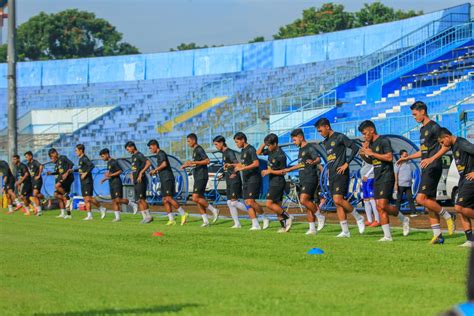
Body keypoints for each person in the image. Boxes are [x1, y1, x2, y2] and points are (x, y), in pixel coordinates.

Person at [397, 101, 455, 244]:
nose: (414, 117)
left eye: (415, 114)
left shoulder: (435, 127)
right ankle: (438, 235)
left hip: (433, 166)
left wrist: (431, 158)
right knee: (430, 203)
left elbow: (447, 145)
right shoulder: (422, 129)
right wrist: (408, 157)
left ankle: (449, 215)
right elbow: (423, 152)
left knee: (420, 199)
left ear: (422, 111)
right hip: (427, 167)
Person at [358, 120, 410, 241]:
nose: (365, 136)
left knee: (381, 205)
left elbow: (389, 157)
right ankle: (387, 236)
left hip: (387, 176)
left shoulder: (383, 140)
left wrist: (372, 153)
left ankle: (403, 219)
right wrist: (363, 154)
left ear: (372, 130)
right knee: (380, 207)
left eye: (365, 133)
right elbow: (372, 162)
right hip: (377, 177)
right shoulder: (370, 144)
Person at [315, 118, 365, 237]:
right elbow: (330, 158)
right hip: (331, 174)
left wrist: (346, 163)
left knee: (338, 199)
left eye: (320, 130)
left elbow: (355, 148)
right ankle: (345, 231)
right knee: (337, 203)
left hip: (341, 173)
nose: (320, 133)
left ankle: (359, 218)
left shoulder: (340, 137)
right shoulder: (326, 142)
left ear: (327, 126)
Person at [284, 128, 326, 235]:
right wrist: (289, 169)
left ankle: (320, 216)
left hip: (310, 177)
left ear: (300, 137)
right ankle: (312, 228)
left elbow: (318, 159)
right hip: (303, 178)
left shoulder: (309, 147)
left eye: (294, 140)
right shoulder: (301, 150)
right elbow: (301, 164)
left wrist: (313, 161)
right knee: (308, 204)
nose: (294, 142)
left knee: (303, 200)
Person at [437, 128, 474, 247]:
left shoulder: (462, 143)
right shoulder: (454, 146)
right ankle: (470, 240)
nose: (442, 145)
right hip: (463, 180)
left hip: (470, 180)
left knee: (459, 207)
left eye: (442, 142)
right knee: (462, 209)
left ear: (447, 137)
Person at [233, 132, 269, 231]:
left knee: (251, 201)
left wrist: (243, 169)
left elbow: (256, 163)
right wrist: (234, 167)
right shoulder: (243, 151)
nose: (236, 144)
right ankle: (255, 224)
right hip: (246, 178)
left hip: (253, 178)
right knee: (247, 202)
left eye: (237, 142)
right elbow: (243, 164)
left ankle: (265, 218)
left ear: (243, 140)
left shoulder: (251, 149)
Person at [181, 133, 219, 227]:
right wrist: (187, 165)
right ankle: (205, 221)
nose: (188, 143)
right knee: (198, 199)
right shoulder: (194, 150)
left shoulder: (199, 149)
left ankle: (214, 210)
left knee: (195, 198)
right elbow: (196, 164)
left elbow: (207, 161)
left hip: (201, 176)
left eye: (189, 141)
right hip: (197, 176)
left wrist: (193, 162)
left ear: (194, 140)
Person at [257, 133, 293, 233]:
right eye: (267, 145)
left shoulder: (281, 155)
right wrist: (264, 144)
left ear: (275, 143)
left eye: (269, 145)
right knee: (277, 207)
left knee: (269, 204)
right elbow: (258, 152)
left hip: (278, 182)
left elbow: (283, 171)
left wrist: (270, 171)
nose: (268, 147)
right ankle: (284, 227)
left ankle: (288, 217)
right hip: (272, 181)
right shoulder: (270, 150)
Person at [148, 139, 189, 226]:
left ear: (155, 145)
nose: (150, 150)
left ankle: (183, 213)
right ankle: (171, 220)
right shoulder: (158, 155)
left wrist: (155, 170)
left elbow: (164, 164)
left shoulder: (161, 153)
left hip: (167, 178)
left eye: (151, 148)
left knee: (169, 198)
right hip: (164, 179)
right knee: (164, 199)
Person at [213, 135, 248, 228]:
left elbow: (237, 163)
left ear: (221, 143)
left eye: (216, 144)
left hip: (234, 179)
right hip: (228, 179)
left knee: (234, 202)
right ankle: (237, 223)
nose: (216, 146)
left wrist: (233, 172)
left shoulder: (229, 152)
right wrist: (223, 174)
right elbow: (227, 166)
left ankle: (253, 213)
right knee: (229, 202)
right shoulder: (224, 153)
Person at [100, 148, 137, 222]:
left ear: (107, 154)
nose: (102, 158)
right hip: (111, 183)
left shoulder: (114, 162)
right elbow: (110, 174)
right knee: (114, 200)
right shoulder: (108, 163)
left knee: (118, 199)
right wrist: (105, 178)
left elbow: (120, 171)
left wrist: (111, 174)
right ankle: (117, 217)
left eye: (103, 156)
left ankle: (133, 204)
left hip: (117, 183)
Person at [75, 144, 107, 220]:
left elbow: (92, 165)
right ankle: (89, 215)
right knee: (85, 199)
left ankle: (101, 208)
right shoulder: (80, 159)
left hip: (87, 181)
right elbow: (81, 169)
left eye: (76, 150)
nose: (75, 152)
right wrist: (72, 170)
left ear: (81, 150)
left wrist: (86, 173)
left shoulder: (84, 158)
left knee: (89, 198)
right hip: (83, 181)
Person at [125, 141, 153, 224]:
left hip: (141, 179)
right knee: (138, 200)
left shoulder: (139, 155)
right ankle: (144, 217)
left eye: (128, 149)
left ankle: (149, 216)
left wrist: (141, 173)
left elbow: (148, 163)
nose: (128, 151)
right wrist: (131, 174)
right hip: (136, 180)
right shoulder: (133, 156)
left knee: (142, 199)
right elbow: (134, 167)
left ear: (132, 146)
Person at [47, 148, 74, 219]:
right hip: (62, 180)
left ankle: (68, 198)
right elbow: (58, 172)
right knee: (57, 195)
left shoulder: (63, 158)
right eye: (50, 157)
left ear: (55, 153)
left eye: (51, 155)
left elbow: (71, 164)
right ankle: (65, 213)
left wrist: (67, 173)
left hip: (68, 178)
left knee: (57, 186)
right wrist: (51, 173)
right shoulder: (56, 164)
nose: (51, 157)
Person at [394, 150, 417, 215]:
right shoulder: (398, 163)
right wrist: (396, 183)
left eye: (407, 155)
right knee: (399, 199)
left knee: (410, 198)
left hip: (408, 184)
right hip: (401, 184)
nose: (406, 157)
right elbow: (396, 173)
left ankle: (413, 212)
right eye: (404, 155)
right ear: (401, 156)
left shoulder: (409, 163)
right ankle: (397, 212)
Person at [360, 160, 380, 227]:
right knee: (366, 199)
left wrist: (367, 175)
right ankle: (369, 220)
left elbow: (374, 165)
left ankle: (377, 220)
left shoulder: (370, 153)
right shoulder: (363, 156)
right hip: (364, 179)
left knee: (372, 198)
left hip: (370, 177)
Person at [24, 151, 44, 216]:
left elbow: (41, 166)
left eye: (27, 157)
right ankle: (39, 210)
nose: (26, 158)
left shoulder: (35, 162)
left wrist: (39, 175)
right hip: (32, 181)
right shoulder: (28, 164)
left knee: (35, 194)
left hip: (38, 180)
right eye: (25, 157)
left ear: (31, 156)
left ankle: (44, 198)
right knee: (35, 196)